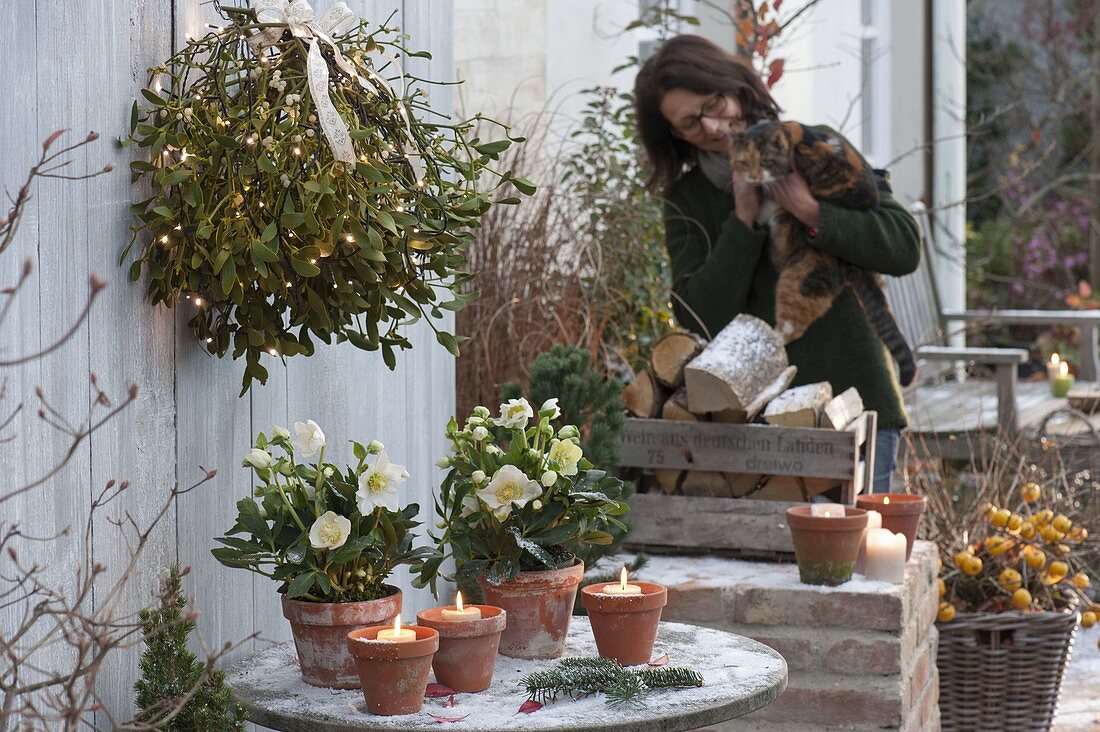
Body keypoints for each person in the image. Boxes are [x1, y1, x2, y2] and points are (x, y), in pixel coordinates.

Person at [633, 35, 921, 492]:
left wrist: (813, 214)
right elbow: (695, 315)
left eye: (715, 103)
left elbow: (904, 248)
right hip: (754, 427)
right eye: (690, 122)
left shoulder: (814, 147)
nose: (713, 126)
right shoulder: (688, 200)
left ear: (737, 88)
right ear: (675, 135)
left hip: (856, 402)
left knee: (861, 561)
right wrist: (742, 222)